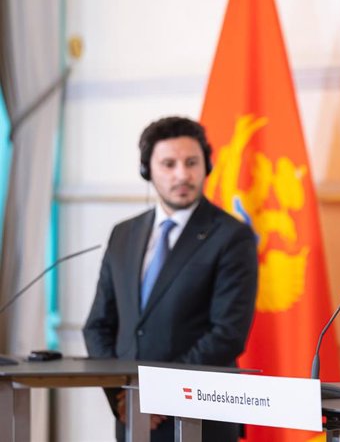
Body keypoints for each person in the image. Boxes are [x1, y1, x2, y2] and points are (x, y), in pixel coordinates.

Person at [83, 116, 258, 442]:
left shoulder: (233, 236)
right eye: (169, 164)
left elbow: (227, 335)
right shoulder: (123, 234)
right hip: (131, 414)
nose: (182, 174)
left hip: (202, 419)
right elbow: (98, 326)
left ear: (207, 166)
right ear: (147, 170)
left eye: (192, 162)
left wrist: (159, 397)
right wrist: (122, 398)